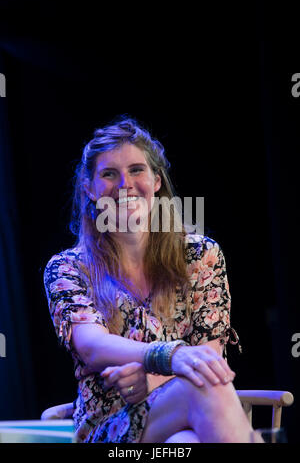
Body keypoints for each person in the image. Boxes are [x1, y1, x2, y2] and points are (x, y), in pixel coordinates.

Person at [43, 117, 260, 443]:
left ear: (156, 180)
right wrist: (167, 357)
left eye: (136, 170)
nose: (124, 184)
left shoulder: (201, 255)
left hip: (187, 418)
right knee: (200, 384)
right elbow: (92, 345)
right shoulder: (68, 268)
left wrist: (152, 379)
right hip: (111, 429)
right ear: (89, 188)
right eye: (108, 174)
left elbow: (209, 358)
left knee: (184, 443)